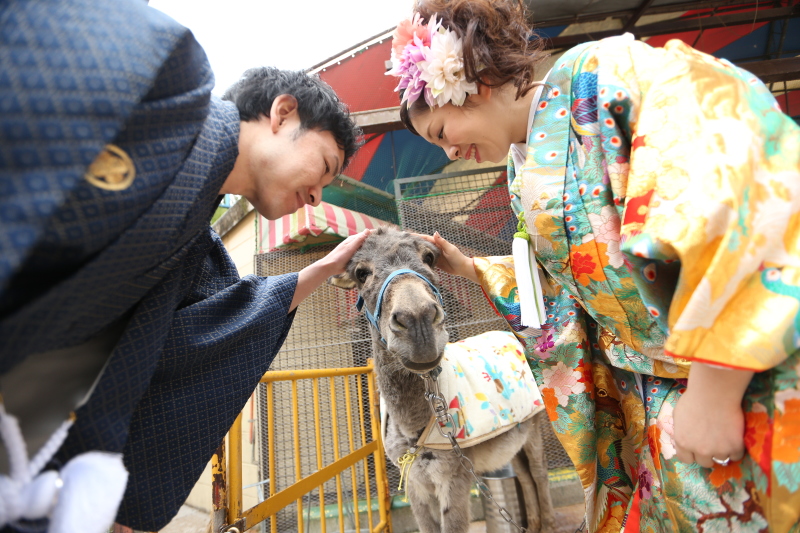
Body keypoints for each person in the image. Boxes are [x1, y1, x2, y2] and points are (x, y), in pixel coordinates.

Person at [387, 0, 800, 531]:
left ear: (474, 81)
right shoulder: (522, 167)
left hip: (733, 378)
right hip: (649, 399)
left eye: (441, 133)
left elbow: (737, 175)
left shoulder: (606, 75)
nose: (449, 153)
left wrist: (717, 383)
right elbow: (566, 287)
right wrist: (469, 268)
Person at [0, 0, 368, 530]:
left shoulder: (196, 239)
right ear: (283, 113)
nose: (316, 195)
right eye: (324, 166)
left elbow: (201, 331)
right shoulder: (171, 82)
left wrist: (318, 271)